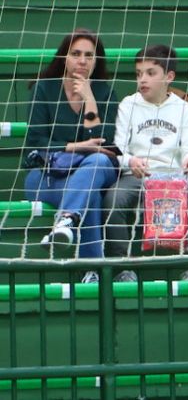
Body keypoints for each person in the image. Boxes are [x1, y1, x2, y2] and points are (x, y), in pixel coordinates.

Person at [103, 44, 188, 280]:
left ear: (169, 77)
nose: (142, 80)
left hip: (175, 177)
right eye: (138, 74)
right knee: (113, 198)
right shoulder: (128, 104)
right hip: (139, 177)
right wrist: (131, 161)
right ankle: (122, 267)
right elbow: (117, 150)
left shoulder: (185, 108)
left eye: (150, 73)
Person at [23, 31, 118, 266]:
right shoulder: (44, 89)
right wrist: (77, 147)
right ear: (64, 57)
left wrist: (89, 98)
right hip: (46, 176)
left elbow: (101, 142)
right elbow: (35, 141)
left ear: (97, 61)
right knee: (90, 194)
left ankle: (66, 220)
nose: (82, 61)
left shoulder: (106, 93)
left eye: (89, 55)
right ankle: (92, 270)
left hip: (90, 171)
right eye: (76, 54)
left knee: (99, 163)